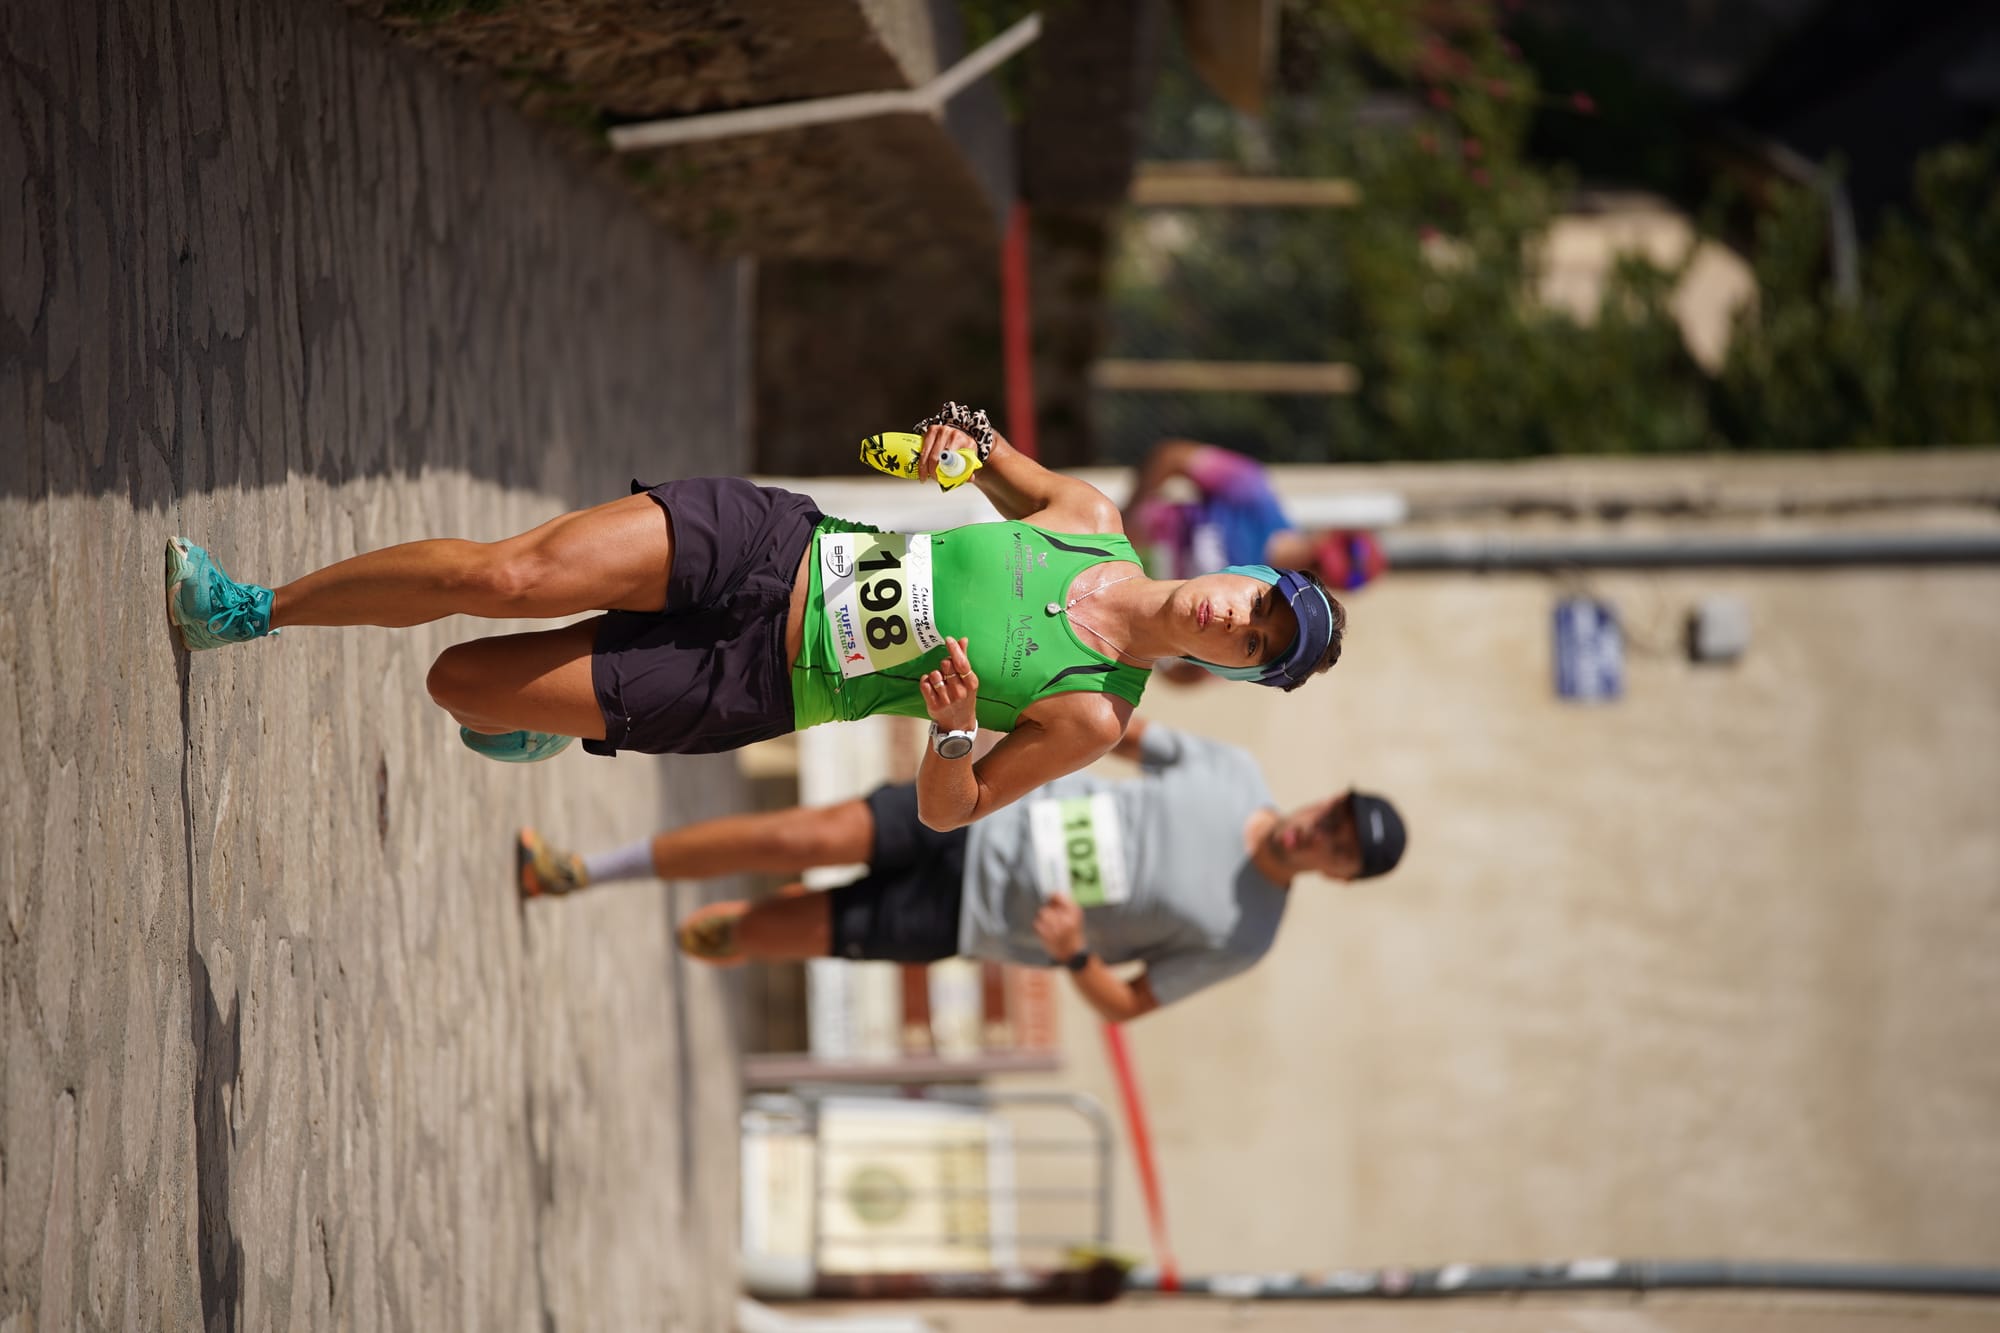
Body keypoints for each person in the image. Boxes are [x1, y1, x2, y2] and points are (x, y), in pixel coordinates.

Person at [165, 405, 1347, 829]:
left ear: (1226, 670)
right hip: (774, 546)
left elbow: (956, 810)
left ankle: (533, 726)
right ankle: (248, 608)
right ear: (1244, 573)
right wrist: (955, 445)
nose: (1233, 619)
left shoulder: (1091, 713)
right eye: (1258, 607)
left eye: (1251, 648)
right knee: (504, 576)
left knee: (461, 683)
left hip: (762, 684)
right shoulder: (1085, 511)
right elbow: (980, 455)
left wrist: (945, 737)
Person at [515, 718, 1409, 1022]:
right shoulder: (1233, 771)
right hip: (972, 806)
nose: (1318, 833)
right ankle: (585, 870)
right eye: (1334, 816)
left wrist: (1070, 955)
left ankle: (741, 932)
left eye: (1338, 847)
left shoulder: (1245, 933)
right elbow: (1121, 729)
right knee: (796, 836)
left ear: (1338, 876)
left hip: (969, 922)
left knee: (785, 930)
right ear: (1326, 799)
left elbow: (1132, 1004)